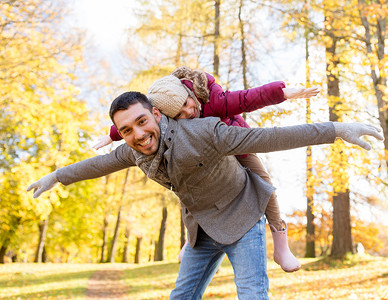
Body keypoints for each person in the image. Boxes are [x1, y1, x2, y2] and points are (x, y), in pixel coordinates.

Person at [27, 91, 383, 299]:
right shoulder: (132, 152)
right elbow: (94, 166)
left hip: (243, 219)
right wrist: (57, 176)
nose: (138, 134)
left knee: (253, 294)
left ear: (155, 113)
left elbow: (270, 137)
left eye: (141, 121)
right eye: (126, 130)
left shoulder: (204, 132)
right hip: (201, 231)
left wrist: (336, 129)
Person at [93, 66, 320, 272]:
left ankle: (281, 247)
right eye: (178, 115)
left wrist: (282, 93)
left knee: (265, 184)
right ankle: (191, 241)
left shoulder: (214, 101)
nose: (187, 114)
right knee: (186, 186)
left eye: (185, 105)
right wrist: (112, 135)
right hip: (204, 155)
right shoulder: (167, 116)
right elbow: (140, 119)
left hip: (234, 146)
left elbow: (248, 98)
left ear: (189, 94)